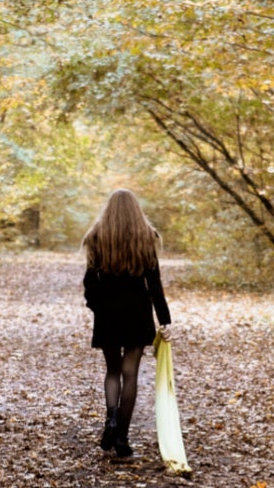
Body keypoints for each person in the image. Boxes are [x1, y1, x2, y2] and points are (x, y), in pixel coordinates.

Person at [82, 188, 172, 458]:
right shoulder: (146, 236)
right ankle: (121, 437)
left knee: (112, 371)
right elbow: (154, 284)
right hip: (137, 312)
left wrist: (96, 307)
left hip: (108, 313)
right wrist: (164, 321)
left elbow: (89, 283)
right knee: (130, 373)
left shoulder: (97, 235)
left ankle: (110, 418)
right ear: (135, 209)